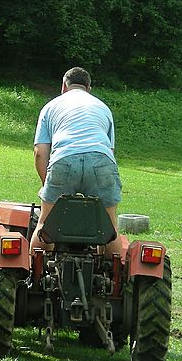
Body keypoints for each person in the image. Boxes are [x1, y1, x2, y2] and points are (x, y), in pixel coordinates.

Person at [30, 67, 123, 255]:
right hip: (101, 160)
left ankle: (36, 276)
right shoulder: (103, 108)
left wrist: (47, 186)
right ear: (89, 89)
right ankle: (113, 280)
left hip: (64, 158)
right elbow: (109, 151)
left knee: (44, 225)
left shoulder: (51, 106)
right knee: (110, 230)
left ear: (64, 86)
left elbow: (40, 152)